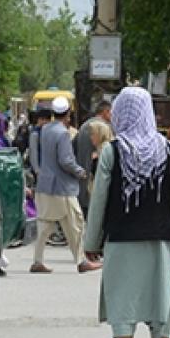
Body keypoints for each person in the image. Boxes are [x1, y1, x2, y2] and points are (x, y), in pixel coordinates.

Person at [84, 86, 170, 338]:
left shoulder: (112, 151)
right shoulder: (168, 151)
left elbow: (100, 201)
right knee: (162, 306)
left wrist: (91, 242)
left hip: (120, 241)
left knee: (123, 305)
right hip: (161, 242)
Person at [30, 96, 100, 274]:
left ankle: (37, 261)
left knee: (45, 224)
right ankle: (81, 260)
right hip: (62, 188)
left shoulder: (44, 130)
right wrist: (80, 171)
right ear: (68, 114)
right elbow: (66, 160)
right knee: (76, 223)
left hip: (45, 185)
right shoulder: (62, 133)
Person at [75, 100, 114, 211]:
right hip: (95, 188)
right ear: (106, 112)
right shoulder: (101, 127)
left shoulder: (84, 126)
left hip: (81, 186)